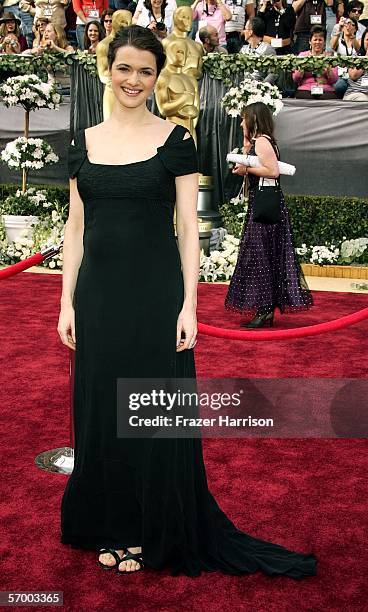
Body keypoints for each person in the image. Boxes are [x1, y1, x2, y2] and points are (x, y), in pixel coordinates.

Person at [59, 24, 317, 578]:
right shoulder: (83, 140)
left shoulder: (176, 140)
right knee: (102, 410)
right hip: (97, 297)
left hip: (155, 296)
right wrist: (66, 302)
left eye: (145, 72)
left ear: (157, 78)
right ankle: (112, 522)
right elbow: (75, 227)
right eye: (124, 68)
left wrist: (189, 307)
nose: (134, 80)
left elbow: (188, 228)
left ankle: (150, 531)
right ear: (108, 69)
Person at [225, 102, 313, 328]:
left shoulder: (263, 141)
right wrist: (246, 146)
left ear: (254, 119)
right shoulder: (259, 141)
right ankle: (266, 308)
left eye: (245, 118)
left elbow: (272, 172)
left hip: (265, 207)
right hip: (263, 205)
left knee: (261, 256)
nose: (242, 122)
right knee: (264, 256)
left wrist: (247, 169)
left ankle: (264, 309)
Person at [292, 25, 338, 98]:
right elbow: (296, 79)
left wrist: (328, 68)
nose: (317, 42)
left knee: (327, 98)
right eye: (315, 39)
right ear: (310, 41)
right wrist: (302, 67)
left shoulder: (330, 57)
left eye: (320, 40)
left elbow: (334, 80)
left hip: (325, 88)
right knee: (305, 97)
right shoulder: (303, 55)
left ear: (324, 42)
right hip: (306, 88)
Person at [240, 16, 277, 83]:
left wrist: (262, 86)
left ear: (250, 32)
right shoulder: (243, 49)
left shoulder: (267, 48)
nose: (243, 31)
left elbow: (273, 72)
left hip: (261, 88)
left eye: (245, 29)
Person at [343, 26, 368, 98]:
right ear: (363, 41)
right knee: (362, 99)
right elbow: (353, 76)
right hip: (357, 93)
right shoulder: (356, 56)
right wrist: (366, 57)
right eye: (367, 40)